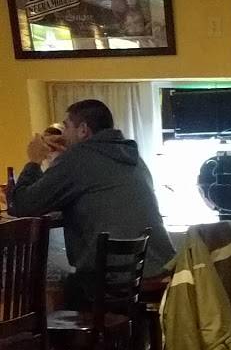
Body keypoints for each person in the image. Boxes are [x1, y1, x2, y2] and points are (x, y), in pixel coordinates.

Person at [13, 98, 174, 305]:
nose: (63, 135)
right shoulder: (130, 154)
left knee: (58, 285)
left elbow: (23, 205)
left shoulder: (78, 159)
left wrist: (34, 160)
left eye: (66, 127)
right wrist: (68, 156)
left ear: (83, 130)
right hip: (157, 265)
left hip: (113, 279)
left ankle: (82, 328)